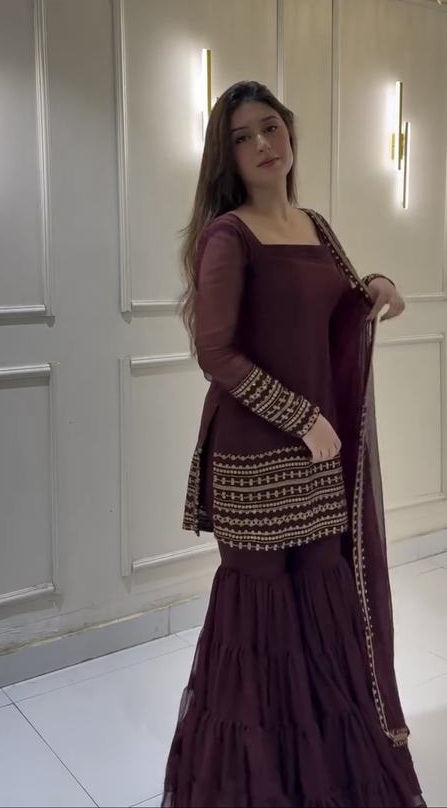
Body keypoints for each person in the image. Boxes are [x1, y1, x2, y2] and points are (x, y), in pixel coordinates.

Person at [161, 80, 425, 808]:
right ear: (228, 157)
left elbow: (340, 305)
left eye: (270, 127)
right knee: (261, 624)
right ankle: (255, 786)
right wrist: (302, 418)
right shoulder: (229, 236)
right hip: (254, 460)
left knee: (321, 610)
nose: (262, 145)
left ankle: (323, 778)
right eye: (242, 138)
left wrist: (378, 284)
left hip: (318, 458)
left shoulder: (315, 225)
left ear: (290, 133)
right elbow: (215, 351)